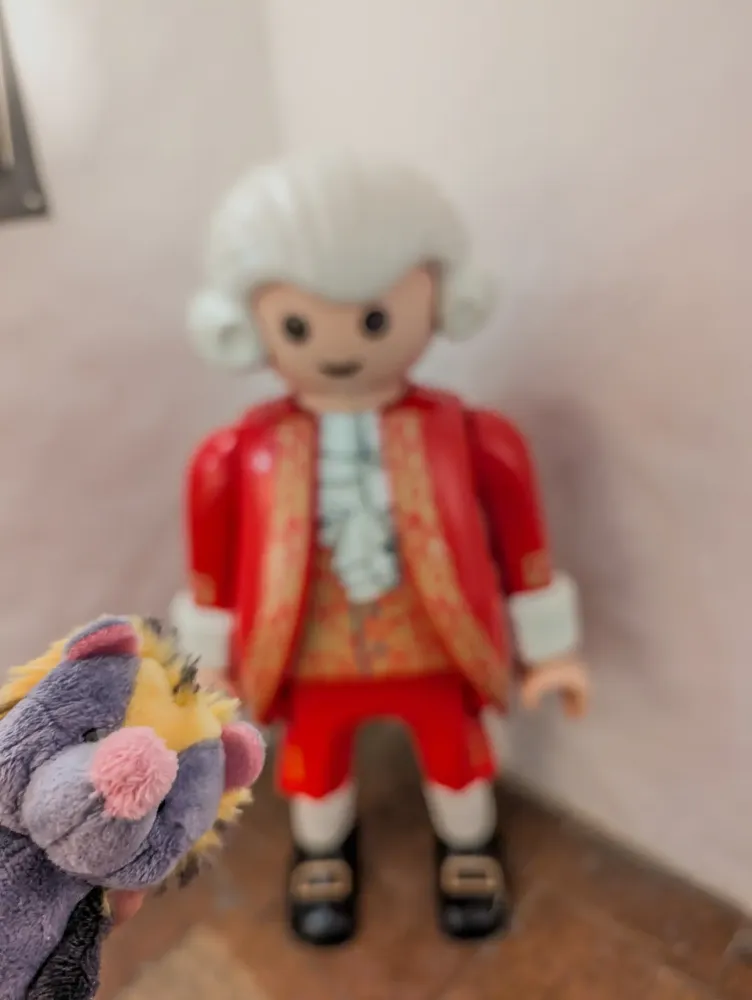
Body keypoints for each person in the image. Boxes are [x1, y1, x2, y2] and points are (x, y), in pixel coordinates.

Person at [170, 152, 590, 947]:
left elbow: (525, 550)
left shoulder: (473, 437)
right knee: (316, 765)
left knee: (455, 756)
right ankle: (322, 852)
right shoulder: (234, 456)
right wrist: (209, 663)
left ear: (442, 299)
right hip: (308, 650)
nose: (340, 346)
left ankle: (468, 846)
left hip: (437, 641)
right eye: (299, 325)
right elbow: (212, 576)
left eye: (373, 318)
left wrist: (550, 649)